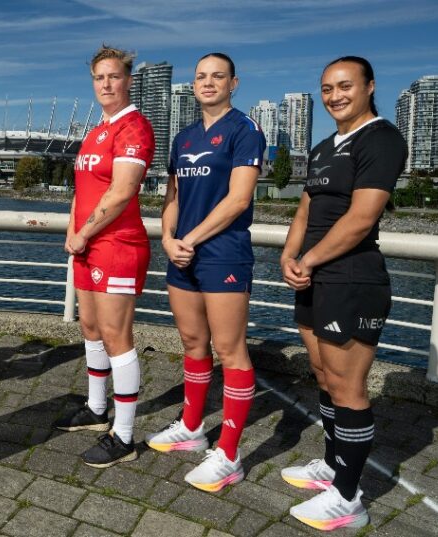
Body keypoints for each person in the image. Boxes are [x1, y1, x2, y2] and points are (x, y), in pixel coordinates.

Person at [279, 56, 406, 531]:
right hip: (314, 278)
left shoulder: (382, 139)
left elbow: (361, 218)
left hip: (352, 278)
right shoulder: (323, 146)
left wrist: (308, 261)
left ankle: (349, 499)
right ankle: (334, 466)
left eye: (345, 86)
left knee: (349, 387)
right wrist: (289, 256)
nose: (335, 96)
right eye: (327, 88)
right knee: (324, 375)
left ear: (370, 87)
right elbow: (304, 212)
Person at [145, 53, 265, 492]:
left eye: (218, 76)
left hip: (222, 254)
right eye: (201, 76)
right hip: (182, 254)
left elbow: (237, 200)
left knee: (231, 350)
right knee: (194, 343)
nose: (208, 82)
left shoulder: (244, 130)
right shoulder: (183, 137)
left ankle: (230, 454)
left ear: (234, 82)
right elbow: (172, 196)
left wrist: (190, 240)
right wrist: (167, 237)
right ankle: (192, 428)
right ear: (193, 85)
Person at [52, 45, 154, 468]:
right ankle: (97, 410)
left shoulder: (135, 128)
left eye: (114, 76)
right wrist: (74, 231)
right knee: (90, 327)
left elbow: (122, 191)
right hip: (88, 244)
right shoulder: (96, 130)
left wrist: (86, 232)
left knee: (116, 335)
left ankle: (125, 436)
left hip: (118, 245)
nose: (106, 84)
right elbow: (83, 189)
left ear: (128, 81)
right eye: (99, 78)